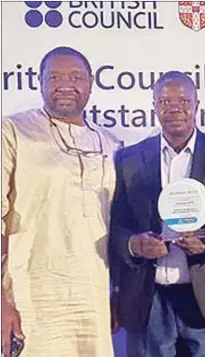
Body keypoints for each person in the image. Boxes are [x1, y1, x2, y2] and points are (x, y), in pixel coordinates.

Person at [109, 71, 205, 357]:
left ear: (197, 103)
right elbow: (116, 225)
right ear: (154, 106)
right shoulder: (128, 159)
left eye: (183, 100)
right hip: (148, 296)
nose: (174, 108)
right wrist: (134, 245)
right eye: (164, 101)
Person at [1, 46, 121, 357]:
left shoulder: (111, 144)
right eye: (54, 76)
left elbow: (119, 224)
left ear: (91, 83)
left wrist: (117, 293)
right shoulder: (13, 131)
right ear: (39, 82)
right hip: (30, 296)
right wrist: (2, 302)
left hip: (93, 297)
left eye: (76, 77)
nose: (65, 84)